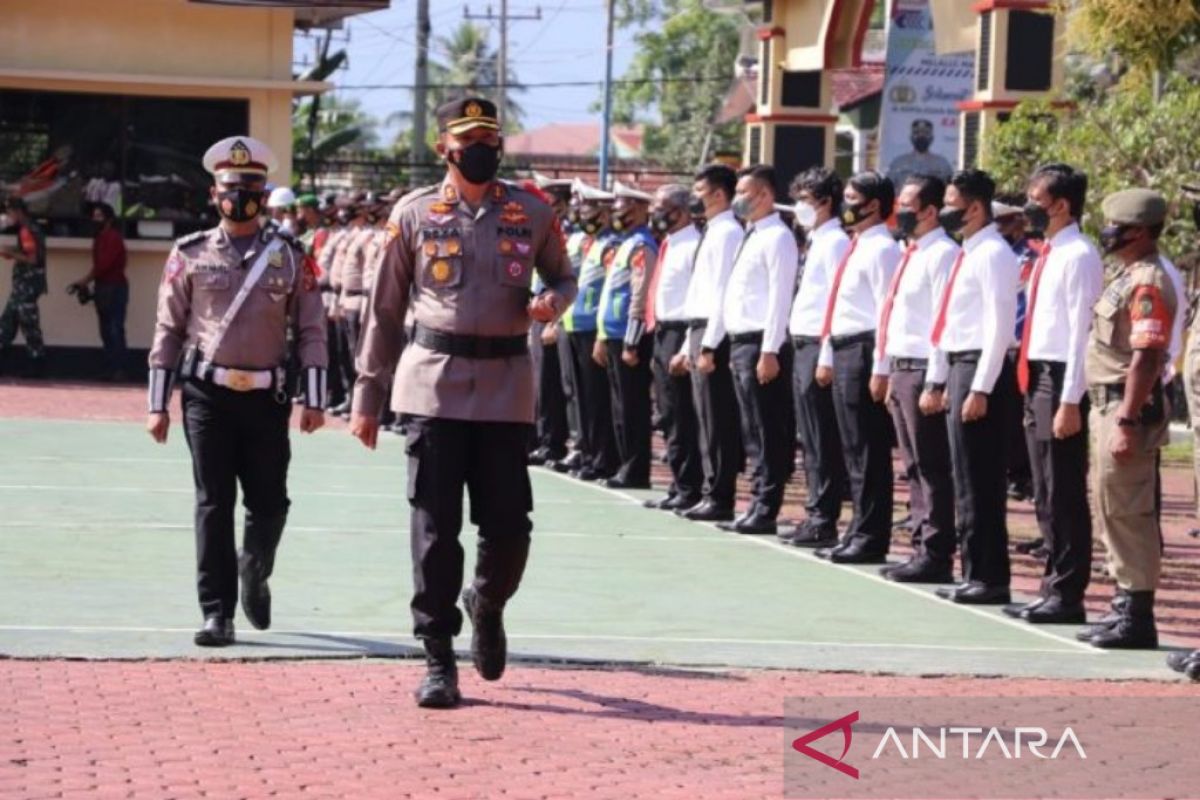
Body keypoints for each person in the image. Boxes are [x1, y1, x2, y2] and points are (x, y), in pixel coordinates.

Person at [350, 97, 576, 709]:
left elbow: (563, 275)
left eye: (490, 137)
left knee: (509, 526)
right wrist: (367, 395)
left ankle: (489, 599)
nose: (482, 147)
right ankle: (438, 658)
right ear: (445, 147)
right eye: (469, 138)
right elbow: (385, 311)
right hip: (433, 387)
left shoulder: (530, 212)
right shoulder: (416, 213)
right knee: (435, 529)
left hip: (506, 387)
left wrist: (553, 302)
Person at [146, 136, 327, 647]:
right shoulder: (190, 254)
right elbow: (168, 329)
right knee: (213, 502)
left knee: (269, 502)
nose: (240, 194)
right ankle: (216, 612)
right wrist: (156, 404)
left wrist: (314, 397)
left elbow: (311, 328)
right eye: (231, 186)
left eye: (250, 186)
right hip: (207, 395)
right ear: (214, 192)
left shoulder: (291, 258)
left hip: (267, 399)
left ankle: (255, 568)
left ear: (263, 193)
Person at [1004, 164, 1103, 624]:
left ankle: (1067, 593)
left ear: (1062, 205)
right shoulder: (1049, 254)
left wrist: (1069, 400)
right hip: (1037, 373)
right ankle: (1052, 584)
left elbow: (1080, 333)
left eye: (1037, 199)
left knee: (1062, 489)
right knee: (1043, 489)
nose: (1029, 208)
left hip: (1060, 377)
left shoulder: (1079, 255)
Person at [1077, 188, 1176, 650]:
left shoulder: (1149, 282)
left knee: (1128, 510)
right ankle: (1122, 604)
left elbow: (1146, 357)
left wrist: (1127, 420)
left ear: (1137, 231)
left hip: (1124, 405)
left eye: (1115, 225)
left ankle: (1137, 615)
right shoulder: (1128, 274)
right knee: (1109, 505)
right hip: (1107, 403)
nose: (1108, 232)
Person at [924, 169, 1019, 605]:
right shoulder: (969, 252)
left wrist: (980, 388)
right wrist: (939, 377)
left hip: (981, 367)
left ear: (976, 207)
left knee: (980, 478)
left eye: (952, 203)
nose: (946, 212)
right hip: (960, 364)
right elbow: (948, 324)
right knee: (964, 475)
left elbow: (1000, 326)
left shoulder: (993, 254)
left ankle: (989, 575)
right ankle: (974, 570)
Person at [813, 171, 900, 563]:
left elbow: (886, 310)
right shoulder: (858, 244)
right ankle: (857, 528)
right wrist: (828, 354)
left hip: (865, 349)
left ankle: (871, 534)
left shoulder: (883, 248)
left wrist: (881, 367)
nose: (845, 205)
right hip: (845, 347)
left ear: (873, 206)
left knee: (868, 449)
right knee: (851, 448)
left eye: (852, 198)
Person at [875, 175, 958, 582]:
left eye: (908, 204)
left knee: (931, 465)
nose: (900, 211)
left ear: (929, 210)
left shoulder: (942, 253)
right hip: (902, 366)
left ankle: (937, 551)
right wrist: (888, 367)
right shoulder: (910, 252)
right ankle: (921, 544)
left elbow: (942, 323)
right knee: (912, 464)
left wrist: (935, 382)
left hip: (924, 367)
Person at [713, 165, 797, 535]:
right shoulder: (752, 235)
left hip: (763, 341)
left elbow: (780, 298)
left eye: (744, 192)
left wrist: (769, 350)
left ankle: (766, 507)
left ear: (764, 195)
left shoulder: (778, 237)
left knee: (767, 429)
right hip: (742, 341)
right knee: (752, 428)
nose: (737, 199)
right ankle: (756, 502)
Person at [783, 167, 850, 547]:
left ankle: (824, 517)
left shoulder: (836, 241)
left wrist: (825, 353)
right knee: (808, 434)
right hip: (803, 341)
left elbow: (834, 302)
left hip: (818, 344)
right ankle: (815, 512)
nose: (799, 208)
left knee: (822, 435)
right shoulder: (816, 241)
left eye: (806, 201)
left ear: (826, 203)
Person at [680, 164, 744, 523]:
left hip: (712, 331)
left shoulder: (727, 233)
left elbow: (722, 293)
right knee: (704, 417)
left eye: (700, 190)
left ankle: (720, 495)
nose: (695, 196)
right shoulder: (712, 231)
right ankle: (710, 489)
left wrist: (709, 344)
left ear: (719, 194)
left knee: (717, 419)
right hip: (698, 327)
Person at [642, 183, 703, 511]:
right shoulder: (670, 244)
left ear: (681, 210)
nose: (656, 211)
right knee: (668, 414)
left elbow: (697, 296)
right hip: (663, 331)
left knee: (682, 416)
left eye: (661, 205)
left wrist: (686, 345)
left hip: (681, 333)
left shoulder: (694, 245)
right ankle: (679, 485)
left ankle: (690, 487)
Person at [594, 181, 658, 489]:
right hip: (613, 333)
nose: (618, 213)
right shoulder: (626, 243)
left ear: (640, 210)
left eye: (625, 209)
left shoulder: (642, 244)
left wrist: (632, 340)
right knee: (619, 406)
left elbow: (640, 294)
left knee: (632, 407)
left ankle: (635, 469)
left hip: (628, 335)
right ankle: (624, 464)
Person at [561, 182, 620, 481]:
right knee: (581, 397)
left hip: (592, 328)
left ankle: (601, 458)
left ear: (605, 212)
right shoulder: (593, 242)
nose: (583, 213)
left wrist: (600, 333)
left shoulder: (610, 244)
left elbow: (608, 290)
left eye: (589, 208)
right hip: (575, 324)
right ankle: (587, 452)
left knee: (597, 399)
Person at [994, 200, 1038, 508]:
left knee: (1020, 416)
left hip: (1022, 344)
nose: (1000, 229)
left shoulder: (1031, 255)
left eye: (1005, 222)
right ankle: (1011, 471)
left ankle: (1023, 476)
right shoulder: (993, 254)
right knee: (1004, 418)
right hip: (998, 344)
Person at [528, 174, 574, 466]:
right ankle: (543, 439)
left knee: (555, 385)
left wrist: (554, 322)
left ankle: (554, 441)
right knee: (538, 383)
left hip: (554, 315)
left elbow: (569, 282)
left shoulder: (566, 234)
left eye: (551, 203)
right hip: (535, 311)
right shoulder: (538, 229)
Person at [70, 202, 128, 380]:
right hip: (104, 287)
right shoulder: (100, 238)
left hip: (115, 287)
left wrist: (84, 281)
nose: (95, 220)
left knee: (114, 329)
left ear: (108, 219)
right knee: (106, 330)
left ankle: (118, 369)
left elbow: (103, 265)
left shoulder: (112, 238)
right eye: (94, 216)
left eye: (99, 216)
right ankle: (110, 368)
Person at [0, 196, 47, 377]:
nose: (8, 215)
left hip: (27, 285)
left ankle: (37, 365)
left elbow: (32, 259)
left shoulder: (26, 230)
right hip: (26, 285)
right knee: (7, 322)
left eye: (9, 211)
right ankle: (35, 365)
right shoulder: (31, 228)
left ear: (17, 211)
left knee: (28, 323)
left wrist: (9, 252)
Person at [886, 119, 954, 188]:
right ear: (911, 137)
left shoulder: (942, 163)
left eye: (926, 133)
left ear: (932, 138)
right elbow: (888, 188)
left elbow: (950, 188)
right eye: (917, 133)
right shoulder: (898, 163)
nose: (921, 136)